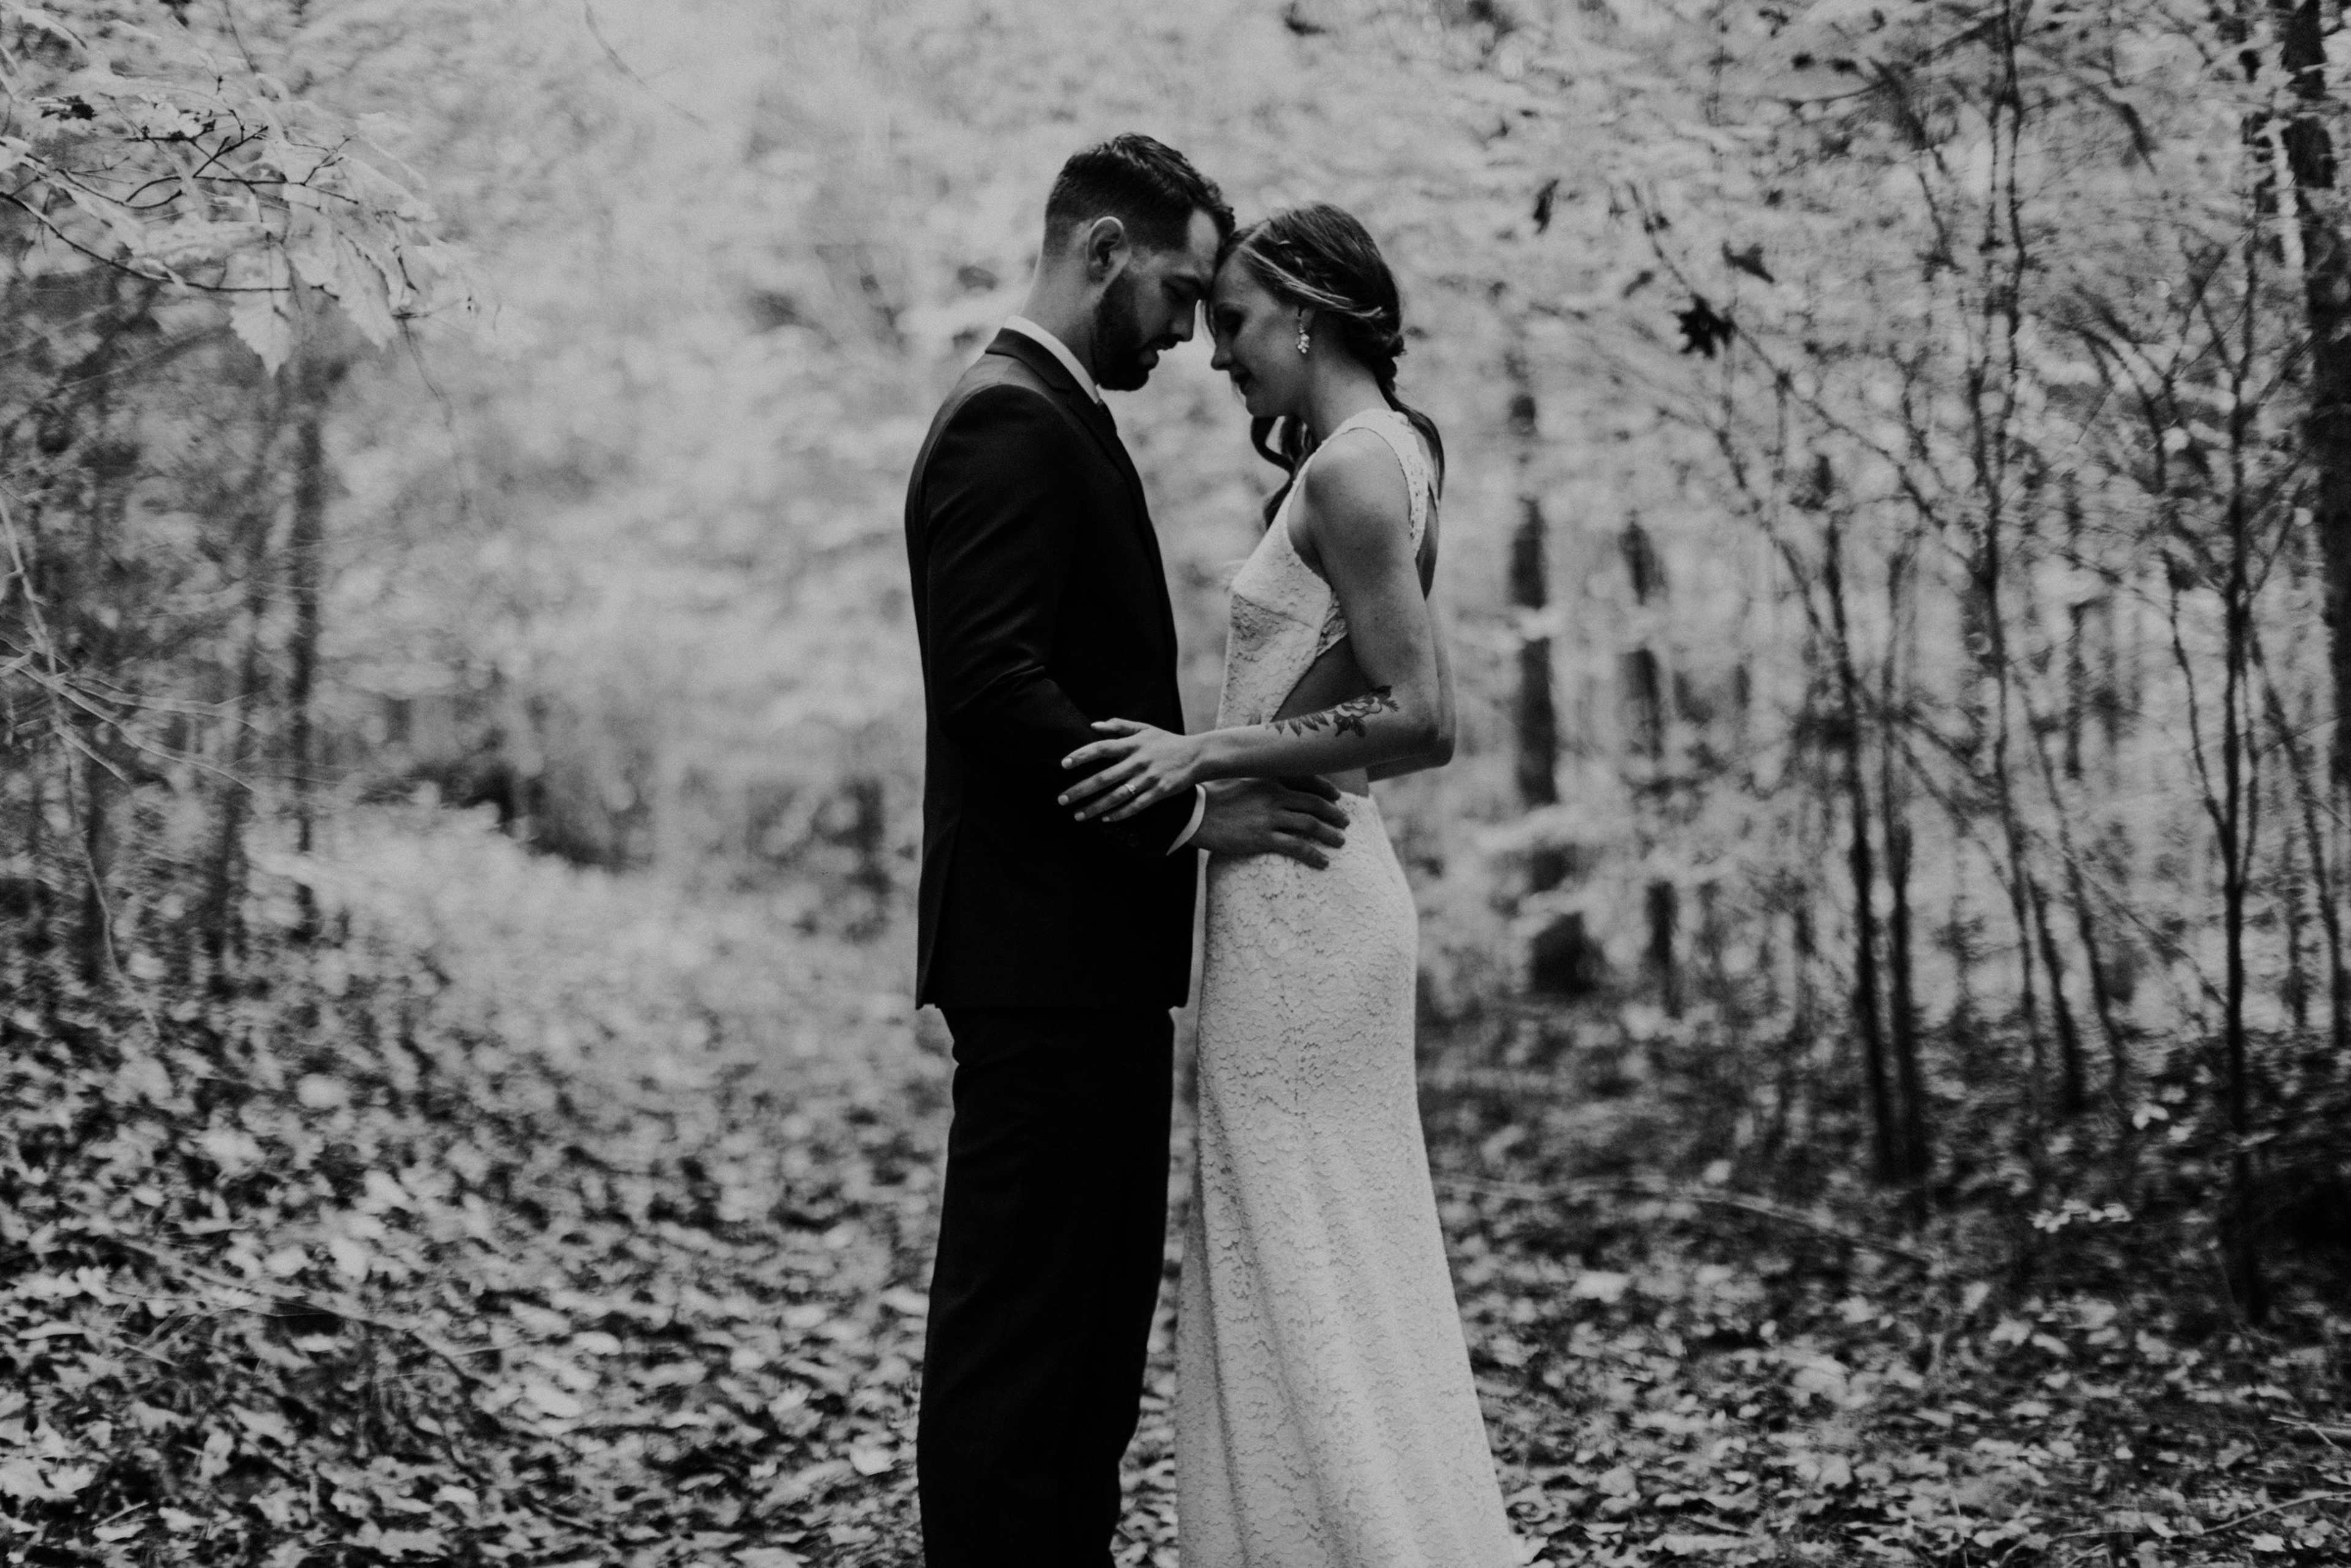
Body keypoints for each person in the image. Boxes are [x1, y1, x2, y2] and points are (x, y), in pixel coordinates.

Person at [901, 137, 1352, 1568]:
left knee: (1087, 1341)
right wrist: (1188, 807)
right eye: (1172, 291)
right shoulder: (1004, 419)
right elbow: (991, 685)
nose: (1184, 329)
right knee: (1024, 1340)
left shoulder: (1052, 413)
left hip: (1083, 959)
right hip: (1044, 965)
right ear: (1100, 251)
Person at [1059, 203, 1519, 1564]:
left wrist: (1204, 752)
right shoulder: (1386, 452)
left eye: (1238, 321)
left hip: (1308, 901)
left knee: (1304, 1246)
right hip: (1299, 883)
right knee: (1314, 1243)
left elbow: (1423, 714)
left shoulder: (1357, 474)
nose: (1215, 354)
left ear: (1310, 309)